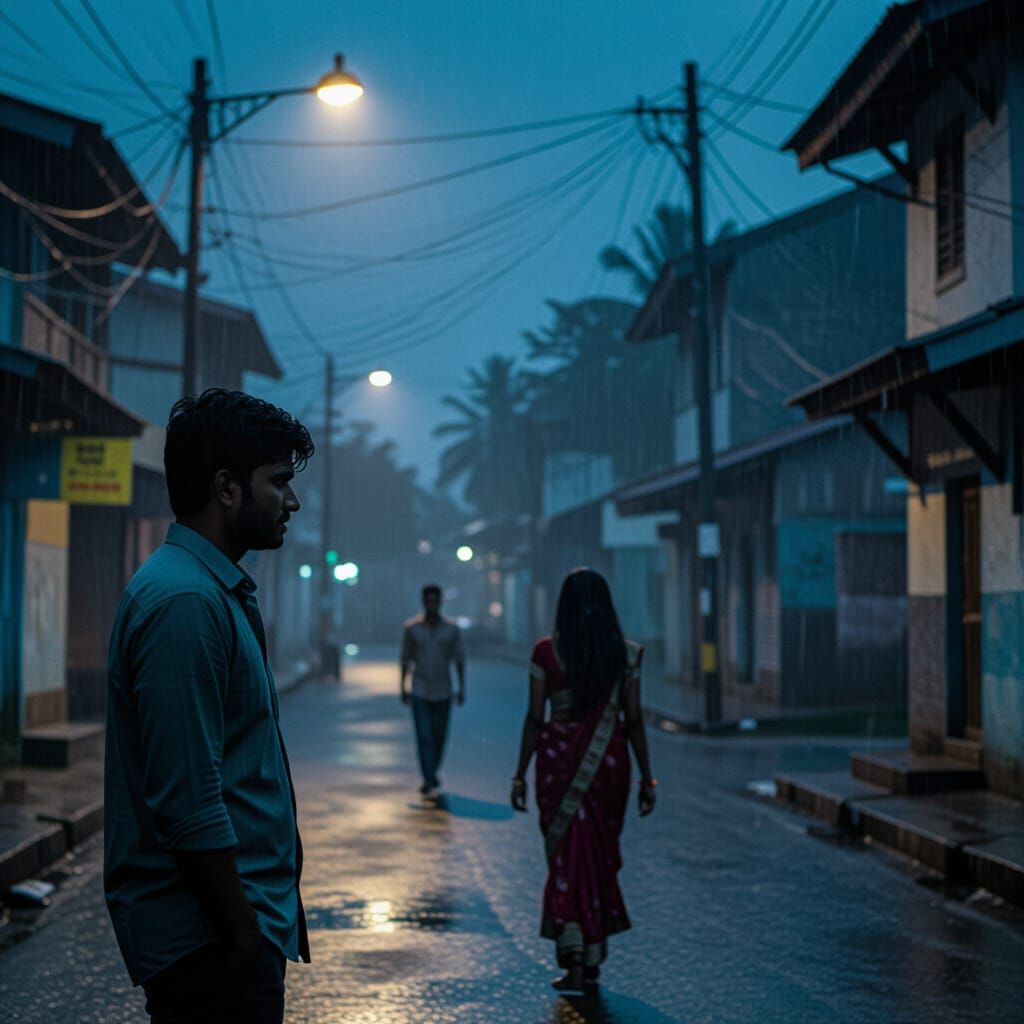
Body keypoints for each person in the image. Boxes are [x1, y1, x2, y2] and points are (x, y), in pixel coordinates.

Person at [104, 389, 314, 1024]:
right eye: (278, 482)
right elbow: (189, 803)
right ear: (226, 488)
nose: (292, 501)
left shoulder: (210, 590)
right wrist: (244, 939)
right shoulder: (186, 604)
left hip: (223, 940)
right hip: (211, 947)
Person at [511, 567, 657, 994]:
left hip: (557, 766)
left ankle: (574, 956)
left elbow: (536, 719)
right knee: (596, 858)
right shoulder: (626, 656)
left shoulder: (545, 654)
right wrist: (649, 779)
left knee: (567, 859)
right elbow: (633, 722)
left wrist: (520, 773)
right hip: (608, 766)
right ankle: (591, 957)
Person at [400, 584, 466, 799]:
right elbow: (405, 659)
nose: (431, 605)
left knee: (439, 736)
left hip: (444, 690)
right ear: (423, 602)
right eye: (427, 601)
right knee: (424, 736)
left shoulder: (451, 629)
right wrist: (403, 686)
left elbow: (459, 659)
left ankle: (432, 772)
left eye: (434, 601)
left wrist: (462, 688)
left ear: (440, 602)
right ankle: (428, 777)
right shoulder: (412, 629)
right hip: (420, 689)